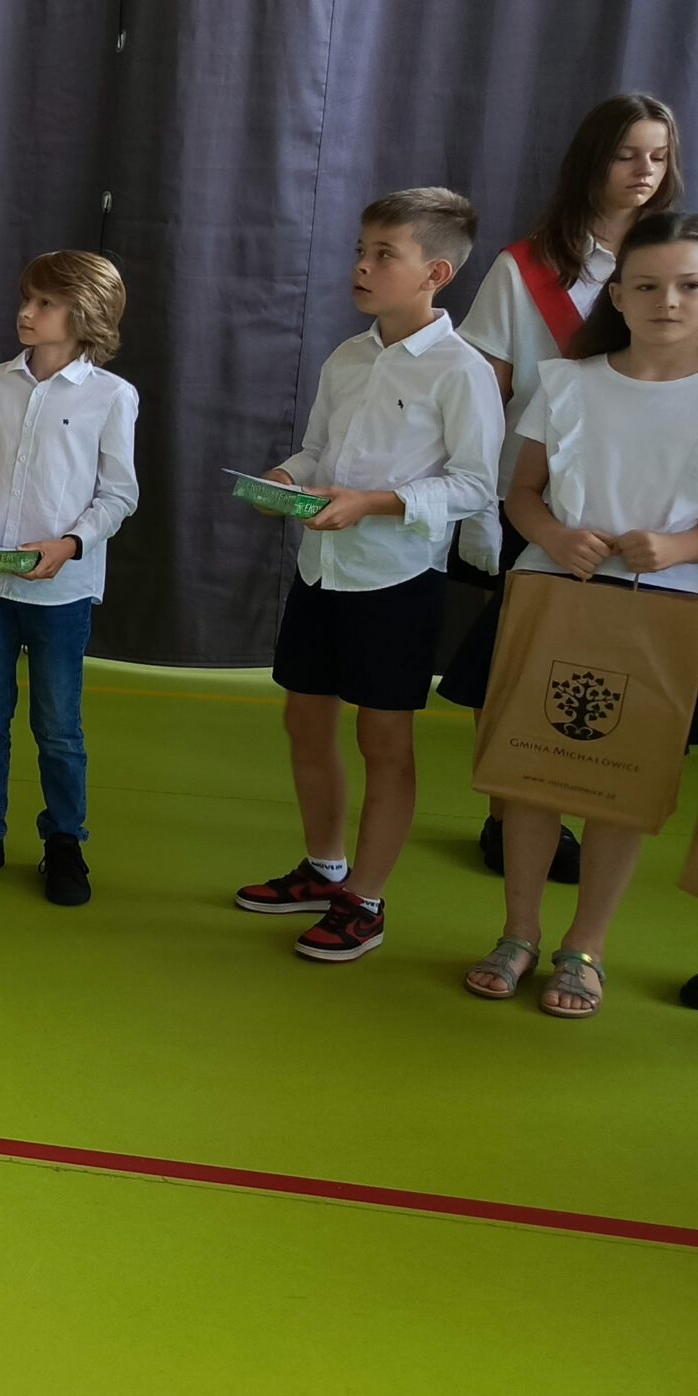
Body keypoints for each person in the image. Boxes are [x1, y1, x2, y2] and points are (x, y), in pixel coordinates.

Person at [450, 214, 698, 1016]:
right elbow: (523, 493)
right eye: (648, 285)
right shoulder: (568, 382)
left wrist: (684, 544)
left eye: (691, 285)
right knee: (531, 775)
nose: (668, 301)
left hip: (668, 609)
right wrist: (556, 536)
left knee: (618, 787)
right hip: (553, 593)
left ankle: (585, 947)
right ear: (619, 296)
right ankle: (518, 932)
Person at [233, 190, 502, 960]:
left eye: (385, 254)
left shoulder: (462, 370)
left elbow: (475, 485)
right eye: (361, 249)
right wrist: (285, 478)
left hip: (397, 580)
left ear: (435, 273)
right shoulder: (347, 356)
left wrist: (373, 504)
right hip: (321, 571)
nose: (361, 265)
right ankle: (324, 869)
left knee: (385, 741)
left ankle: (367, 900)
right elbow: (318, 450)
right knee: (304, 721)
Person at [456, 93, 683, 883]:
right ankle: (510, 812)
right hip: (538, 492)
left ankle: (595, 801)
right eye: (627, 154)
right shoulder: (524, 268)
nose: (644, 171)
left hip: (652, 502)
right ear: (592, 159)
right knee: (521, 659)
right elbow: (484, 387)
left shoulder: (682, 261)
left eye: (659, 156)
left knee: (618, 671)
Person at [0, 251, 140, 906]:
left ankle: (65, 842)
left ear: (85, 314)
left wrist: (70, 545)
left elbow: (118, 494)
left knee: (58, 725)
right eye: (26, 298)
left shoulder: (111, 396)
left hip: (60, 590)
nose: (26, 313)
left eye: (45, 303)